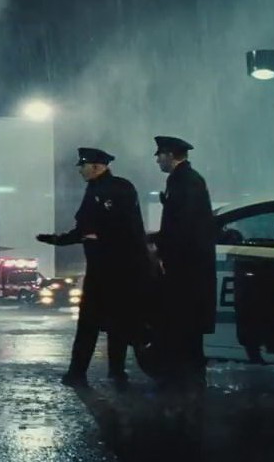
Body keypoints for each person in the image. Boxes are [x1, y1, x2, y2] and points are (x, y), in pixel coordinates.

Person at [38, 148, 152, 387]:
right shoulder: (98, 188)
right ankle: (106, 372)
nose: (80, 170)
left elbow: (122, 227)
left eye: (84, 165)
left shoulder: (116, 189)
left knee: (99, 322)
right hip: (106, 267)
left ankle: (89, 372)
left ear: (97, 166)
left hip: (116, 268)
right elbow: (85, 229)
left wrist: (95, 236)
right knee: (109, 322)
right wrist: (59, 239)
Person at [151, 136, 218, 383]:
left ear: (170, 155)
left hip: (186, 265)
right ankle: (186, 372)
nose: (157, 160)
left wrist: (162, 248)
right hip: (188, 263)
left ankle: (186, 376)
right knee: (185, 321)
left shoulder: (184, 181)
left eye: (160, 155)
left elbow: (183, 225)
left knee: (184, 320)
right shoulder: (185, 179)